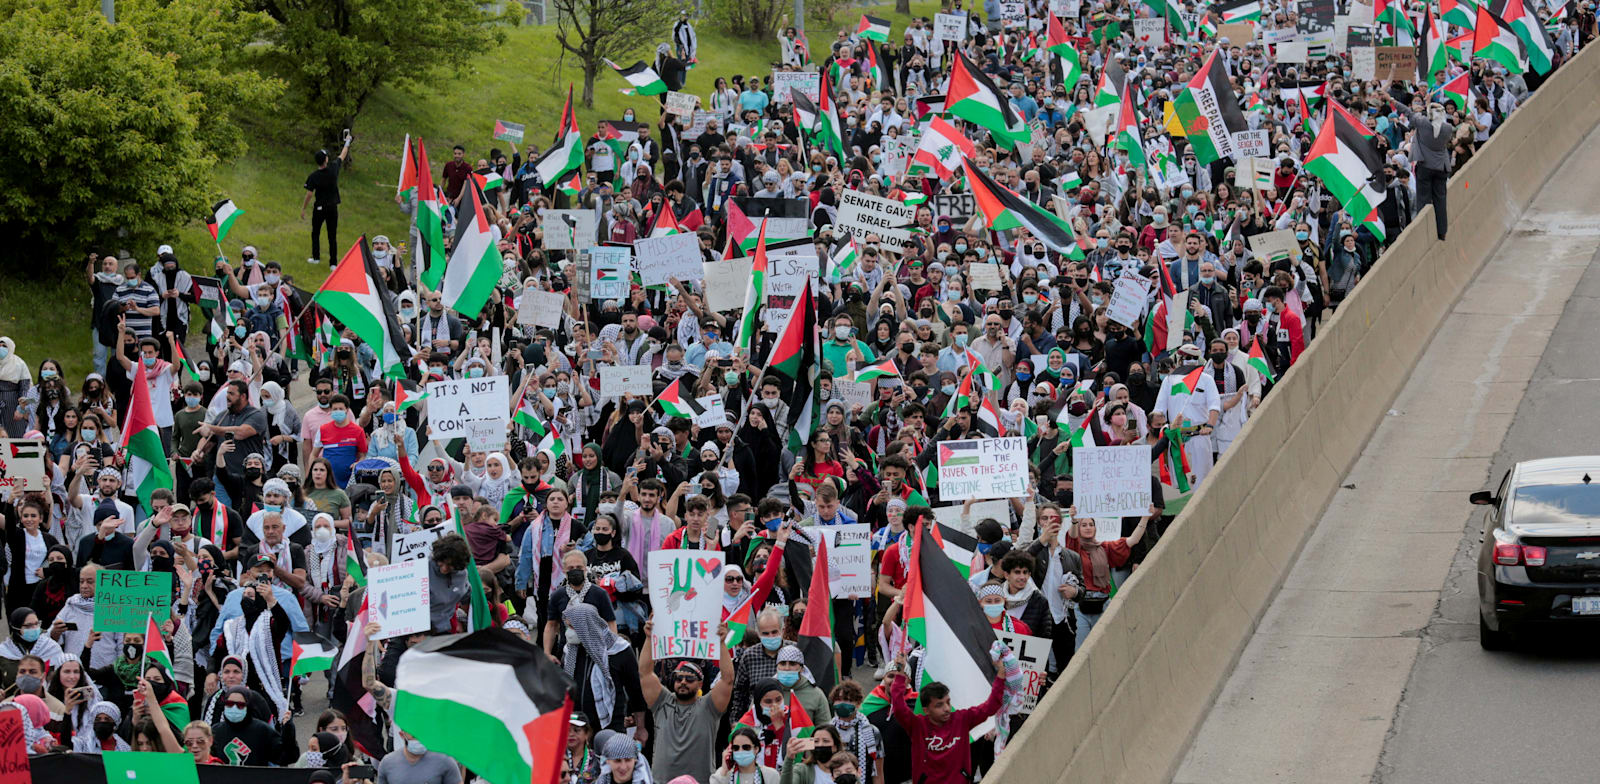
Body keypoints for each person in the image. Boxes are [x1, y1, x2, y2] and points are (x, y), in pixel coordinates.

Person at [884, 651, 1008, 784]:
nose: (947, 709)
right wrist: (900, 675)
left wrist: (1001, 674)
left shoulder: (962, 719)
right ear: (926, 710)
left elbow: (990, 706)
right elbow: (898, 706)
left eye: (948, 702)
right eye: (939, 705)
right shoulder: (917, 726)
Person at [639, 617, 734, 783]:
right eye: (678, 678)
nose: (683, 682)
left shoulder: (709, 706)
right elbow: (645, 673)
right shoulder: (662, 701)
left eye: (689, 679)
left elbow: (728, 680)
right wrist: (648, 638)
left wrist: (721, 643)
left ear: (700, 684)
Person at [302, 135, 353, 264]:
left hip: (319, 208)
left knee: (316, 233)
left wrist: (303, 208)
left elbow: (309, 194)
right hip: (332, 207)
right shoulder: (333, 168)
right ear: (325, 159)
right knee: (332, 235)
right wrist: (347, 141)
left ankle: (316, 258)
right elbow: (343, 154)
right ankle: (333, 263)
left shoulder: (313, 176)